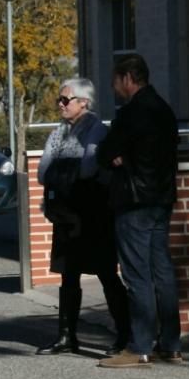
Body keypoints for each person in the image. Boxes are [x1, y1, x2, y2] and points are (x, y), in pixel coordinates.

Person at [96, 54, 182, 369]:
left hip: (134, 201)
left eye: (115, 80)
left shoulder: (132, 113)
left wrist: (117, 157)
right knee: (163, 272)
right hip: (161, 199)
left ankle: (140, 346)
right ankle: (170, 344)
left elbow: (105, 152)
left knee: (136, 274)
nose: (113, 86)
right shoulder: (163, 109)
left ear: (128, 78)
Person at [36, 78, 130, 356]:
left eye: (66, 100)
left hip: (93, 213)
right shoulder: (58, 133)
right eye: (60, 99)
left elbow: (89, 167)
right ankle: (67, 336)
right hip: (66, 213)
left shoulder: (97, 131)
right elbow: (43, 171)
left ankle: (125, 334)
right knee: (68, 274)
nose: (60, 104)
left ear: (84, 102)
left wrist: (62, 168)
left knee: (106, 274)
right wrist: (67, 169)